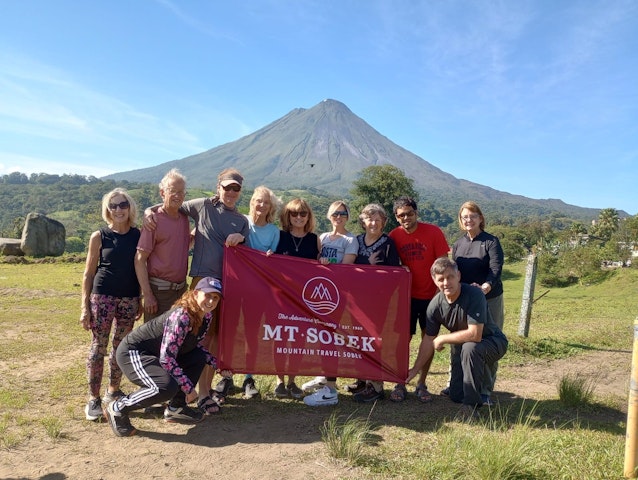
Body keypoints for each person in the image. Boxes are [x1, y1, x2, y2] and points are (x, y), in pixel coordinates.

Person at [145, 168, 249, 406]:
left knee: (212, 339)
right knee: (191, 336)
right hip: (200, 283)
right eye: (227, 187)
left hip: (226, 287)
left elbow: (250, 258)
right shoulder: (203, 206)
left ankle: (204, 393)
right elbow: (170, 205)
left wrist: (242, 239)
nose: (231, 192)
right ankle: (179, 390)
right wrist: (147, 211)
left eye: (236, 188)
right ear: (218, 187)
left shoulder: (242, 222)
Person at [104, 277, 231, 437]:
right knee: (164, 387)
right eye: (208, 295)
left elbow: (193, 346)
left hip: (158, 355)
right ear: (196, 293)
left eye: (216, 298)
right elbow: (167, 358)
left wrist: (218, 365)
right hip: (133, 353)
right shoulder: (182, 316)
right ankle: (119, 407)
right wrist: (188, 389)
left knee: (197, 356)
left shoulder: (206, 316)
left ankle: (176, 408)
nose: (211, 301)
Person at [406, 257, 508, 419]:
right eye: (441, 279)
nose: (446, 283)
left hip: (493, 342)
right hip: (463, 347)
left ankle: (471, 407)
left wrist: (443, 339)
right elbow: (428, 340)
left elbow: (475, 334)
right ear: (434, 281)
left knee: (470, 347)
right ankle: (471, 390)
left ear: (458, 276)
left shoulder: (474, 294)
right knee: (455, 395)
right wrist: (415, 369)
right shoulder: (435, 305)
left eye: (450, 277)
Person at [80, 188, 141, 421]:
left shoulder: (139, 235)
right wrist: (84, 307)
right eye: (113, 205)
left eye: (123, 204)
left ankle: (113, 391)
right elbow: (88, 274)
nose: (118, 210)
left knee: (121, 347)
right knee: (98, 347)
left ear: (130, 207)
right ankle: (93, 398)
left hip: (130, 298)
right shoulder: (99, 236)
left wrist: (141, 298)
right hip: (102, 296)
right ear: (107, 209)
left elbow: (141, 267)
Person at [388, 196, 450, 403]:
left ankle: (421, 383)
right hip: (406, 298)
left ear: (416, 213)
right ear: (396, 218)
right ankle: (400, 382)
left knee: (428, 339)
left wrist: (439, 293)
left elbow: (444, 264)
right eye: (401, 215)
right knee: (402, 340)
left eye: (409, 213)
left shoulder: (433, 232)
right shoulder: (394, 236)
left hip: (431, 296)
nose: (406, 217)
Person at [302, 200, 357, 407]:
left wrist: (327, 265)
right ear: (328, 216)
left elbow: (346, 267)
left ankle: (331, 390)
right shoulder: (322, 238)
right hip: (320, 296)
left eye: (343, 213)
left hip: (338, 297)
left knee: (331, 339)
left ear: (348, 216)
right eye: (335, 213)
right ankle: (324, 375)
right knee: (320, 337)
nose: (339, 217)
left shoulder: (350, 239)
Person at [449, 201, 505, 405]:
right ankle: (456, 385)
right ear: (460, 220)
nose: (468, 220)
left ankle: (485, 390)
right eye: (464, 217)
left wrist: (486, 286)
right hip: (465, 301)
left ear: (480, 218)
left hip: (489, 299)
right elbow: (454, 271)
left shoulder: (490, 242)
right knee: (459, 342)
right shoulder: (458, 244)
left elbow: (495, 269)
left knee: (486, 343)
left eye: (472, 216)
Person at [349, 203, 401, 403]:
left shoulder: (388, 244)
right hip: (356, 302)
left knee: (373, 341)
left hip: (378, 303)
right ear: (363, 221)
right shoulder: (356, 240)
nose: (373, 223)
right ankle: (362, 379)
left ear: (383, 223)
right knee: (358, 339)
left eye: (378, 220)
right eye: (369, 219)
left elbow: (394, 275)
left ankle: (376, 386)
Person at [273, 198, 321, 399]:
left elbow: (319, 267)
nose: (299, 217)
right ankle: (279, 382)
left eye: (303, 213)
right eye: (294, 214)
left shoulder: (314, 239)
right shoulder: (280, 236)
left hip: (304, 300)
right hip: (281, 298)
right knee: (280, 339)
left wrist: (324, 263)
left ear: (308, 216)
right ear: (288, 216)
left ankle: (292, 381)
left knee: (298, 340)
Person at [135, 169, 190, 323]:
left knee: (176, 339)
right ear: (162, 193)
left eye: (181, 192)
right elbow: (139, 260)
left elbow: (184, 243)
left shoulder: (184, 219)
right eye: (172, 191)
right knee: (154, 340)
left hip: (181, 291)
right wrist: (148, 295)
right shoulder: (154, 220)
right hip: (159, 292)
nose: (177, 195)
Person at [241, 185, 281, 398]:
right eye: (258, 200)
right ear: (252, 201)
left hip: (261, 291)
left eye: (266, 202)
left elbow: (274, 262)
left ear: (270, 207)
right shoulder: (242, 222)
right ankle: (226, 375)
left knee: (252, 334)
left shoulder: (274, 231)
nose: (262, 205)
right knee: (230, 331)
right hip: (238, 287)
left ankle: (248, 376)